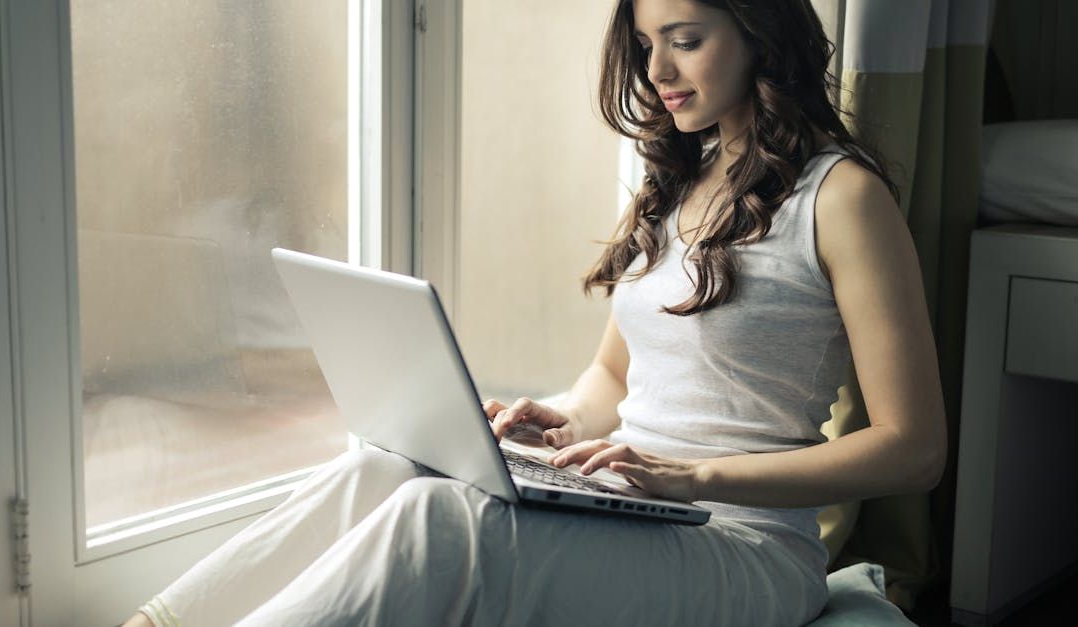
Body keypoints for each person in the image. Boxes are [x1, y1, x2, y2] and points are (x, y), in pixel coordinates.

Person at [125, 0, 946, 624]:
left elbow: (914, 451)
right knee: (382, 467)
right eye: (645, 43)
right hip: (639, 501)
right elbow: (612, 376)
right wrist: (556, 422)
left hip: (748, 544)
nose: (657, 69)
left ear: (760, 32)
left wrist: (694, 475)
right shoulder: (676, 187)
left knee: (438, 520)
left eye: (685, 39)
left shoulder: (842, 199)